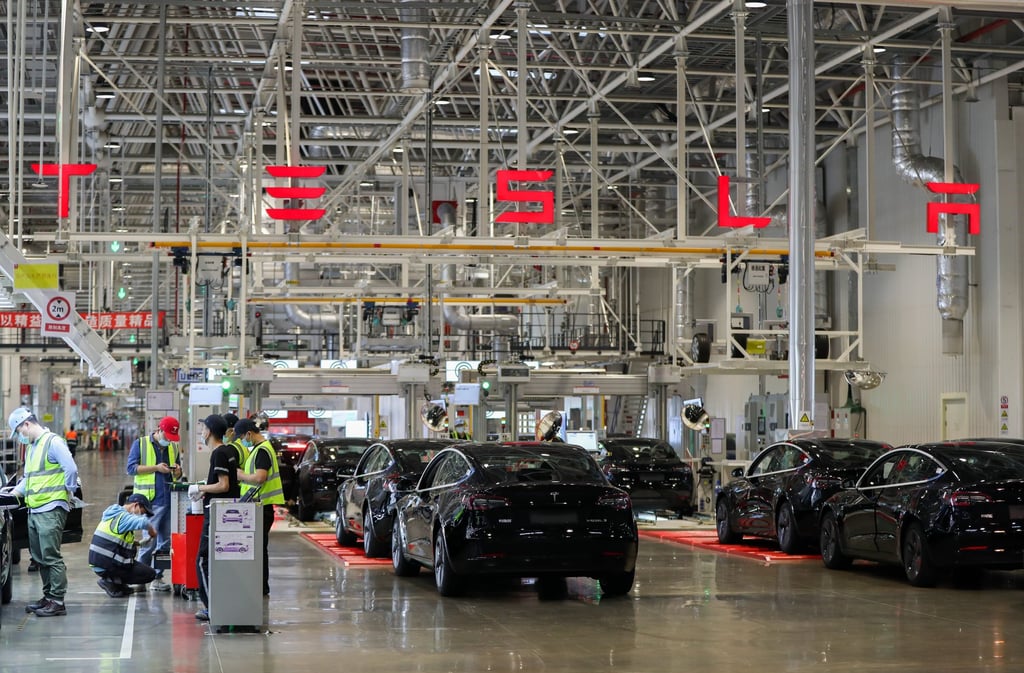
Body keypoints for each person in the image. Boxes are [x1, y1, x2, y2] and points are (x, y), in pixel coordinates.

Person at [6, 407, 80, 617]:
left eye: (19, 431)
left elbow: (71, 469)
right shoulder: (32, 447)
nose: (20, 436)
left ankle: (57, 600)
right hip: (34, 508)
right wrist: (10, 494)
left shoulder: (53, 442)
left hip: (51, 508)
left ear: (27, 424)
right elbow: (29, 479)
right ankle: (48, 597)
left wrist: (68, 493)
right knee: (39, 556)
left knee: (50, 556)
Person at [191, 414, 239, 622]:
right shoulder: (230, 450)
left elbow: (224, 485)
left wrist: (199, 487)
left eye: (203, 428)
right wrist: (205, 492)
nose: (202, 432)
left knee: (202, 560)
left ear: (209, 431)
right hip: (228, 511)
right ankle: (222, 605)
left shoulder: (219, 453)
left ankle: (212, 608)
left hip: (218, 514)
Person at [126, 415, 181, 592]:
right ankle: (141, 578)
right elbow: (131, 468)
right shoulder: (140, 444)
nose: (169, 441)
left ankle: (157, 577)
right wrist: (156, 468)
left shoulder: (173, 447)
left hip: (169, 499)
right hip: (150, 502)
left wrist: (178, 472)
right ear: (159, 430)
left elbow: (177, 474)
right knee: (149, 541)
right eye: (167, 437)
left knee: (165, 543)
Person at [235, 417, 283, 598]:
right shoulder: (260, 449)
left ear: (249, 434)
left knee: (258, 549)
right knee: (259, 548)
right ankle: (261, 586)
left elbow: (260, 477)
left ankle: (261, 587)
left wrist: (241, 475)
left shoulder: (262, 450)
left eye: (241, 437)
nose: (242, 442)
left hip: (261, 507)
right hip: (259, 506)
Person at [89, 493, 159, 597]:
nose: (141, 515)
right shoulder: (124, 517)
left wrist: (138, 543)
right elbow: (144, 522)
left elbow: (114, 540)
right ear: (135, 505)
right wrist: (151, 532)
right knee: (150, 574)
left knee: (136, 561)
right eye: (142, 512)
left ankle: (118, 584)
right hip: (106, 565)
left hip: (99, 563)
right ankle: (109, 582)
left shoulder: (113, 514)